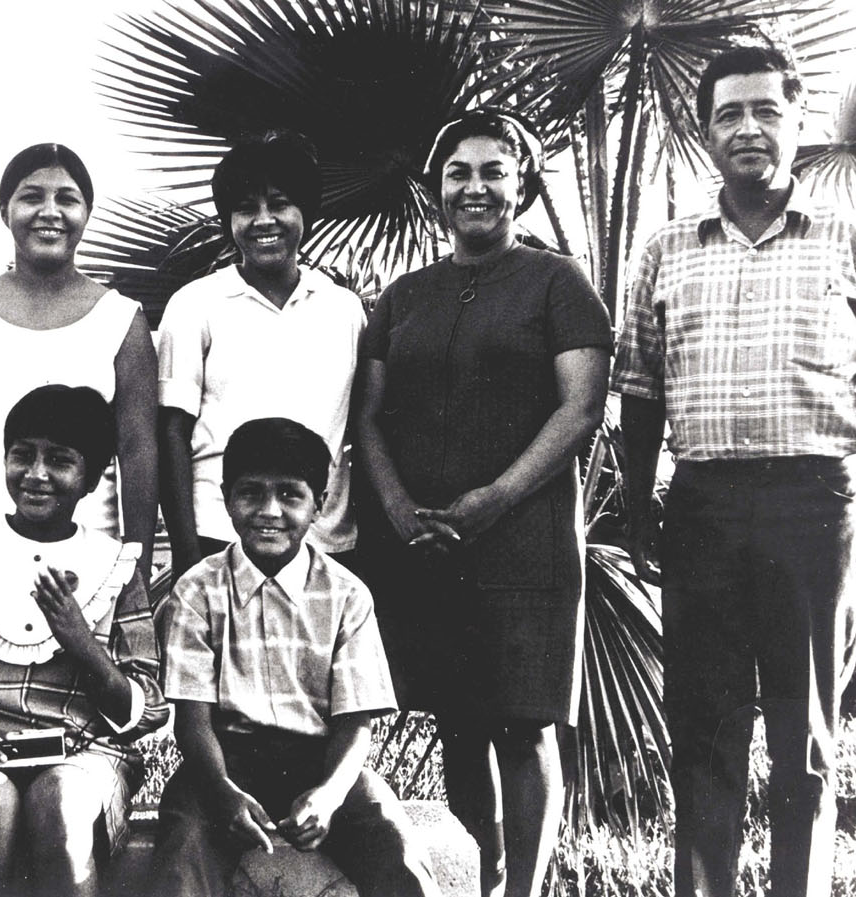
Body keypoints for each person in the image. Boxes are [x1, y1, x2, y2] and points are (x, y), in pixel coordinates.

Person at [614, 46, 856, 897]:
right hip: (704, 506)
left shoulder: (852, 241)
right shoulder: (665, 249)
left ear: (797, 123)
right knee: (705, 733)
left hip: (814, 504)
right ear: (705, 131)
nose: (747, 128)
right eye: (727, 114)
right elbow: (637, 390)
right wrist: (640, 504)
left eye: (765, 111)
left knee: (804, 737)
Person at [354, 112, 612, 897]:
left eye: (494, 170)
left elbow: (581, 407)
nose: (476, 186)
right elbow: (367, 413)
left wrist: (498, 496)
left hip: (524, 539)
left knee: (526, 722)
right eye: (458, 172)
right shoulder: (403, 297)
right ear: (437, 192)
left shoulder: (557, 281)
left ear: (522, 184)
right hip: (425, 542)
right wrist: (397, 506)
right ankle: (483, 878)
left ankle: (525, 890)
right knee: (457, 721)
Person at [147, 417, 439, 897]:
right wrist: (222, 794)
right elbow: (192, 720)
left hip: (320, 761)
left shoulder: (346, 594)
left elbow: (356, 722)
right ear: (226, 498)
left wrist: (328, 797)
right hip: (221, 763)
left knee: (398, 853)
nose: (269, 511)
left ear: (319, 505)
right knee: (180, 861)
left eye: (290, 495)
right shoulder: (197, 590)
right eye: (251, 493)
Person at [0, 384, 168, 897]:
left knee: (60, 803)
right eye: (22, 455)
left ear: (89, 479)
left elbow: (145, 712)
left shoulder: (114, 567)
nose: (37, 474)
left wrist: (78, 640)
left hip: (85, 754)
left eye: (60, 461)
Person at [0, 143, 158, 578]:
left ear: (87, 212)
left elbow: (136, 450)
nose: (50, 212)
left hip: (85, 558)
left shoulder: (122, 319)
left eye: (67, 198)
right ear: (5, 209)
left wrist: (133, 565)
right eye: (31, 197)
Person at [157, 132, 365, 577]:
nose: (263, 220)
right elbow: (172, 433)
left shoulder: (343, 308)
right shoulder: (196, 304)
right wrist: (187, 554)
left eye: (279, 203)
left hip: (324, 543)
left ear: (305, 212)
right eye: (246, 208)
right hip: (219, 537)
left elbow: (362, 430)